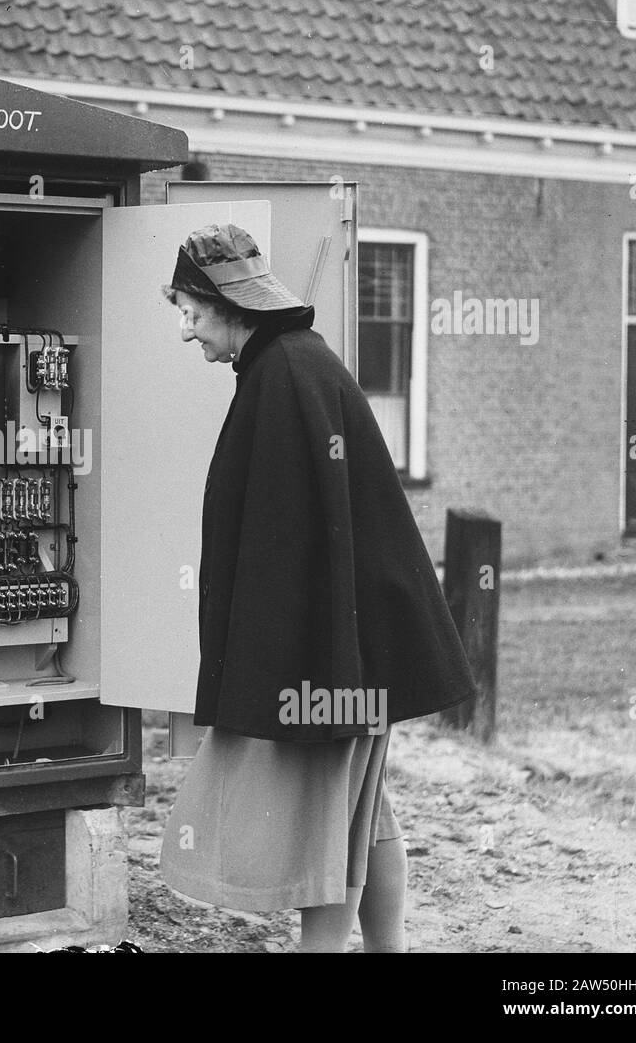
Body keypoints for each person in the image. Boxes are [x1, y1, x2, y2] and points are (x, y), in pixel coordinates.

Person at [157, 223, 476, 953]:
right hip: (353, 659)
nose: (185, 331)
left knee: (323, 836)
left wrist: (296, 685)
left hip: (330, 667)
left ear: (226, 303)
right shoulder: (296, 365)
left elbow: (294, 553)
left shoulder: (284, 377)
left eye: (190, 312)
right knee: (367, 816)